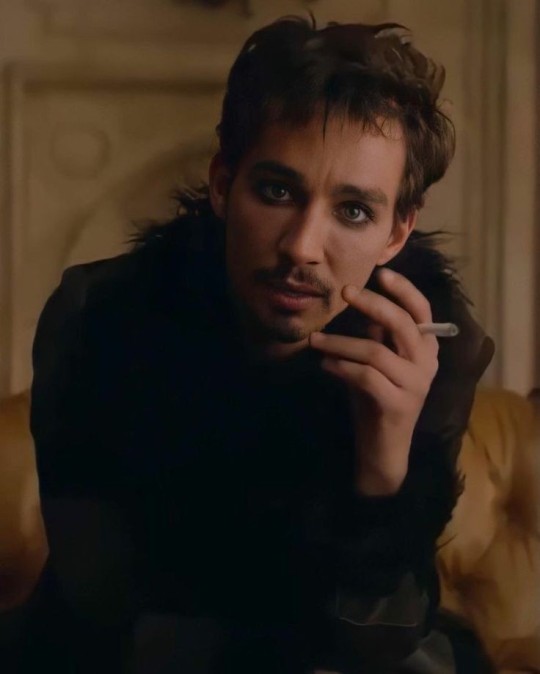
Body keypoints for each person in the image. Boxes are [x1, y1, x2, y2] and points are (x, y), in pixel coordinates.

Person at [19, 15, 495, 674]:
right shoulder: (98, 316)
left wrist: (384, 469)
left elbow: (381, 640)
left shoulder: (434, 346)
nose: (302, 248)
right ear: (223, 183)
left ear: (396, 234)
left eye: (353, 211)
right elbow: (103, 602)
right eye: (277, 191)